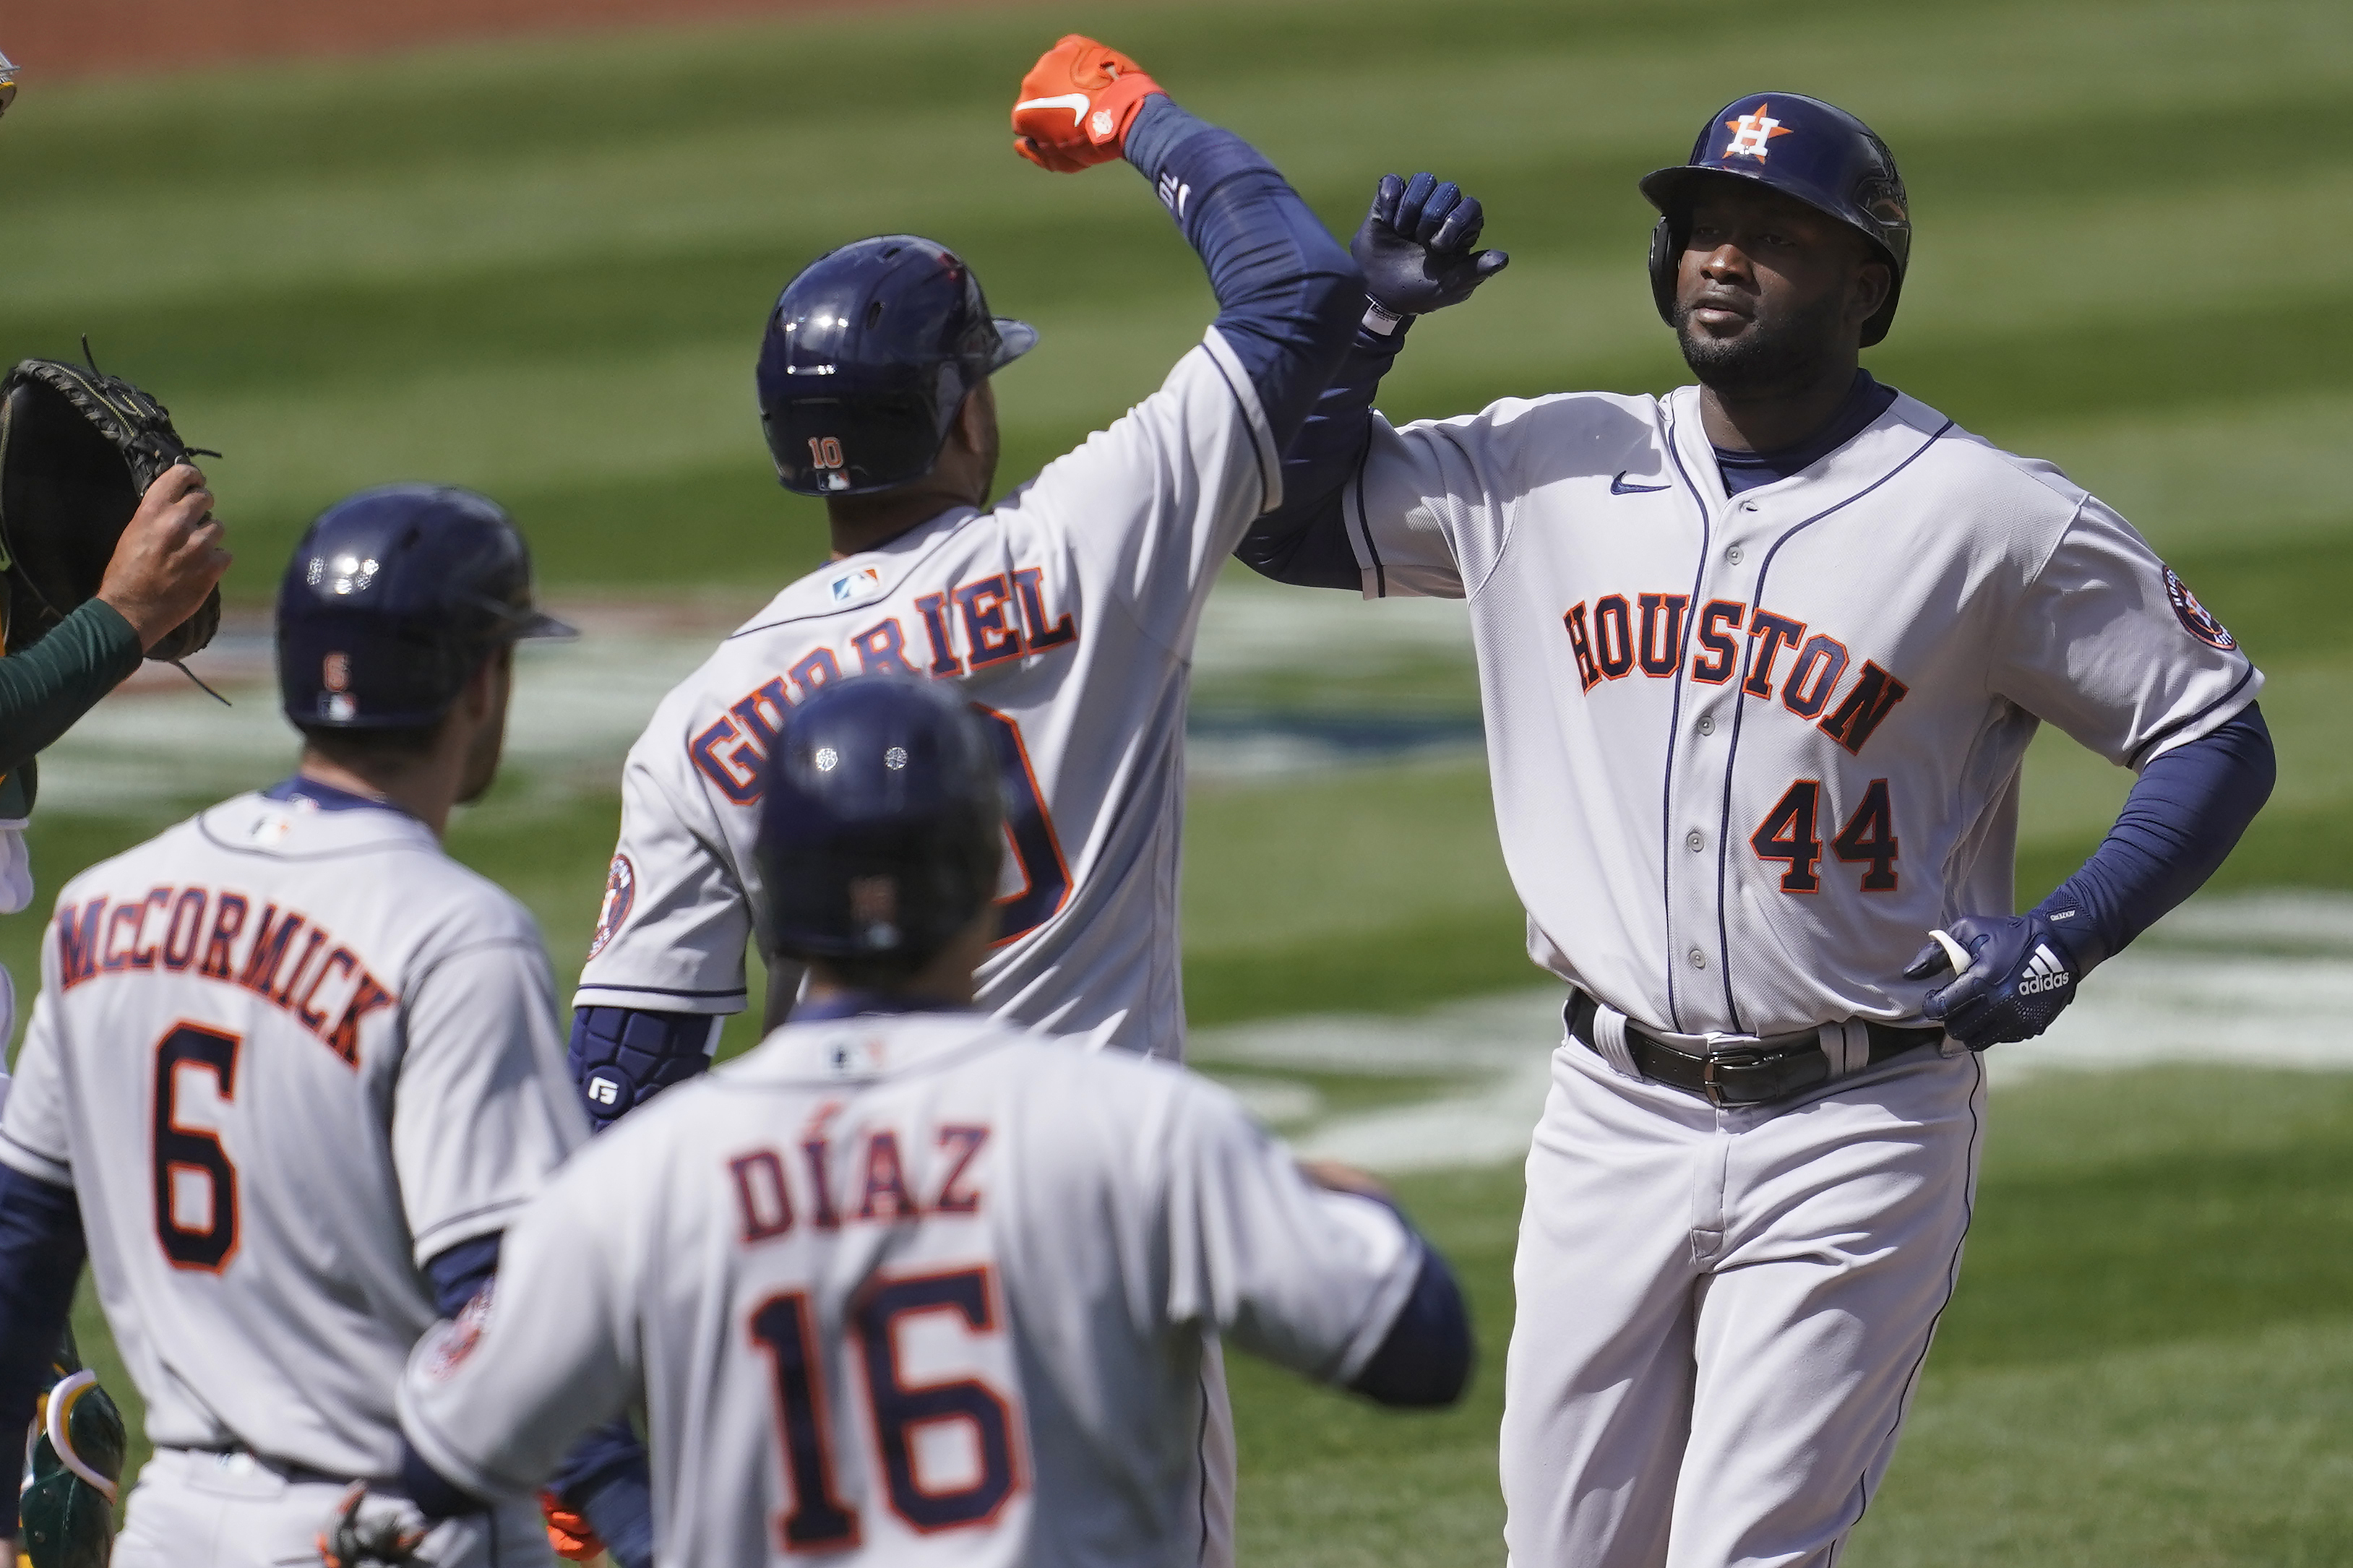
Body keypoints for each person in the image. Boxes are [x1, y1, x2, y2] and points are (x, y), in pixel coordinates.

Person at [1239, 95, 2275, 1564]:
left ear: (1865, 285)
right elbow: (1283, 522)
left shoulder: (1988, 518)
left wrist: (2063, 935)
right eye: (1703, 230)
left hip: (1856, 1120)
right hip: (1608, 1110)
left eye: (1774, 236)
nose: (1723, 261)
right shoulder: (1543, 461)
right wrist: (1362, 333)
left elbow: (2210, 730)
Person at [547, 33, 1363, 1564]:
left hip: (829, 1258)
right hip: (1090, 1244)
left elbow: (620, 1079)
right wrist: (1139, 119)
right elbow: (1296, 286)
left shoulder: (699, 719)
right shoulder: (1080, 545)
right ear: (960, 412)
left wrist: (596, 1446)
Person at [389, 677, 1471, 1567]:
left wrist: (640, 1519)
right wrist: (1352, 1208)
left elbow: (443, 1445)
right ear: (982, 881)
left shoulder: (645, 1176)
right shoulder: (1138, 1130)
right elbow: (1421, 1348)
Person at [0, 484, 586, 1567]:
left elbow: (20, 1249)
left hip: (177, 1526)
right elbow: (503, 1308)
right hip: (386, 1519)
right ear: (481, 683)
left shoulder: (105, 909)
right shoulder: (456, 935)